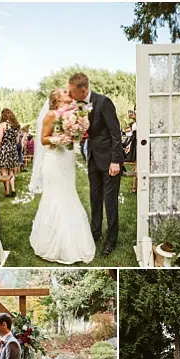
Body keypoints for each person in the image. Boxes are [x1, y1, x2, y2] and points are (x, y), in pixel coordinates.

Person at [28, 88, 95, 264]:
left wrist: (75, 133)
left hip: (67, 158)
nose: (68, 92)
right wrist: (59, 140)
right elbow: (43, 139)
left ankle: (74, 239)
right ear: (57, 98)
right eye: (64, 91)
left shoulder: (72, 113)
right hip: (54, 159)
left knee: (68, 194)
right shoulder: (50, 114)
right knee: (55, 196)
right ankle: (52, 241)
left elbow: (78, 134)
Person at [68, 72, 123, 257]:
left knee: (110, 202)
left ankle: (111, 240)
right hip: (92, 158)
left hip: (109, 162)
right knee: (95, 199)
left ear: (83, 90)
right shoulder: (78, 106)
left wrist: (116, 160)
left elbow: (116, 133)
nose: (70, 95)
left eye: (72, 92)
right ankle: (96, 232)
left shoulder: (104, 102)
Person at [0, 108, 21, 197]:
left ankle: (7, 192)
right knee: (11, 171)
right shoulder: (16, 126)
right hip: (13, 150)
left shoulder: (2, 125)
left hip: (4, 149)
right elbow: (17, 141)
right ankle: (13, 190)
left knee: (4, 171)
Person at [124, 109, 138, 193]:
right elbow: (133, 136)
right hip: (135, 143)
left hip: (138, 144)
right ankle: (134, 187)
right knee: (137, 166)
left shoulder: (139, 121)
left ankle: (134, 187)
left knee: (137, 166)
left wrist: (134, 117)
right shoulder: (134, 123)